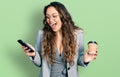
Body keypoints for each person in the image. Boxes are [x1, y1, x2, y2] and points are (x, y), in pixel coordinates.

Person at [21, 1, 98, 77]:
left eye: (54, 16)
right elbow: (40, 63)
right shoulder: (42, 34)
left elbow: (78, 59)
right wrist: (34, 54)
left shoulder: (78, 34)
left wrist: (85, 59)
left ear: (63, 16)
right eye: (47, 17)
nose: (50, 20)